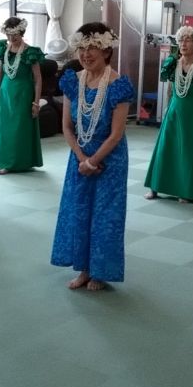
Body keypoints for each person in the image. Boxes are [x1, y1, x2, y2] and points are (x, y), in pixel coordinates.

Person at [50, 22, 135, 291]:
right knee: (80, 210)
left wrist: (93, 161)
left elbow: (117, 133)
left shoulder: (118, 85)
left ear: (107, 51)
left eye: (93, 48)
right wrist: (81, 158)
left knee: (105, 215)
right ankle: (84, 269)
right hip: (79, 157)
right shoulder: (72, 82)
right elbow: (67, 127)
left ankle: (100, 271)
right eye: (82, 48)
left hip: (110, 159)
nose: (86, 54)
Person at [144, 26, 193, 202]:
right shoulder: (173, 64)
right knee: (165, 148)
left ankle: (186, 190)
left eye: (187, 40)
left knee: (189, 151)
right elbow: (170, 89)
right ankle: (155, 187)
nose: (183, 44)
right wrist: (167, 108)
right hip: (174, 111)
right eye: (181, 40)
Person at [0, 16, 45, 174]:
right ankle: (5, 161)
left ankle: (23, 161)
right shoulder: (3, 49)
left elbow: (38, 78)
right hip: (5, 94)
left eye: (15, 34)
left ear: (21, 32)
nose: (11, 38)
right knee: (5, 128)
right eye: (8, 34)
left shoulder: (30, 52)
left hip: (23, 94)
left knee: (20, 127)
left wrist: (36, 103)